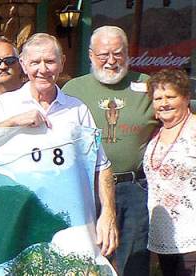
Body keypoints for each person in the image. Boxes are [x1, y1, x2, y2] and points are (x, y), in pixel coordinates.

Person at [0, 33, 119, 258]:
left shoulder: (77, 110)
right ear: (23, 65)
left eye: (50, 61)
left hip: (70, 226)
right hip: (19, 224)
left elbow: (102, 166)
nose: (42, 69)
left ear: (62, 63)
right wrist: (13, 122)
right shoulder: (4, 105)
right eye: (35, 62)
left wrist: (108, 213)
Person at [63, 26, 156, 275]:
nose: (111, 61)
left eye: (118, 53)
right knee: (87, 262)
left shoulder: (146, 85)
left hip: (134, 189)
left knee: (134, 264)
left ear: (127, 54)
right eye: (104, 55)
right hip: (88, 188)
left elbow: (177, 110)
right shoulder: (73, 89)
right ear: (91, 55)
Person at [143, 69, 196, 276]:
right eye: (158, 98)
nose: (164, 103)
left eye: (171, 97)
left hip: (192, 236)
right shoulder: (156, 132)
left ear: (186, 98)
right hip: (164, 238)